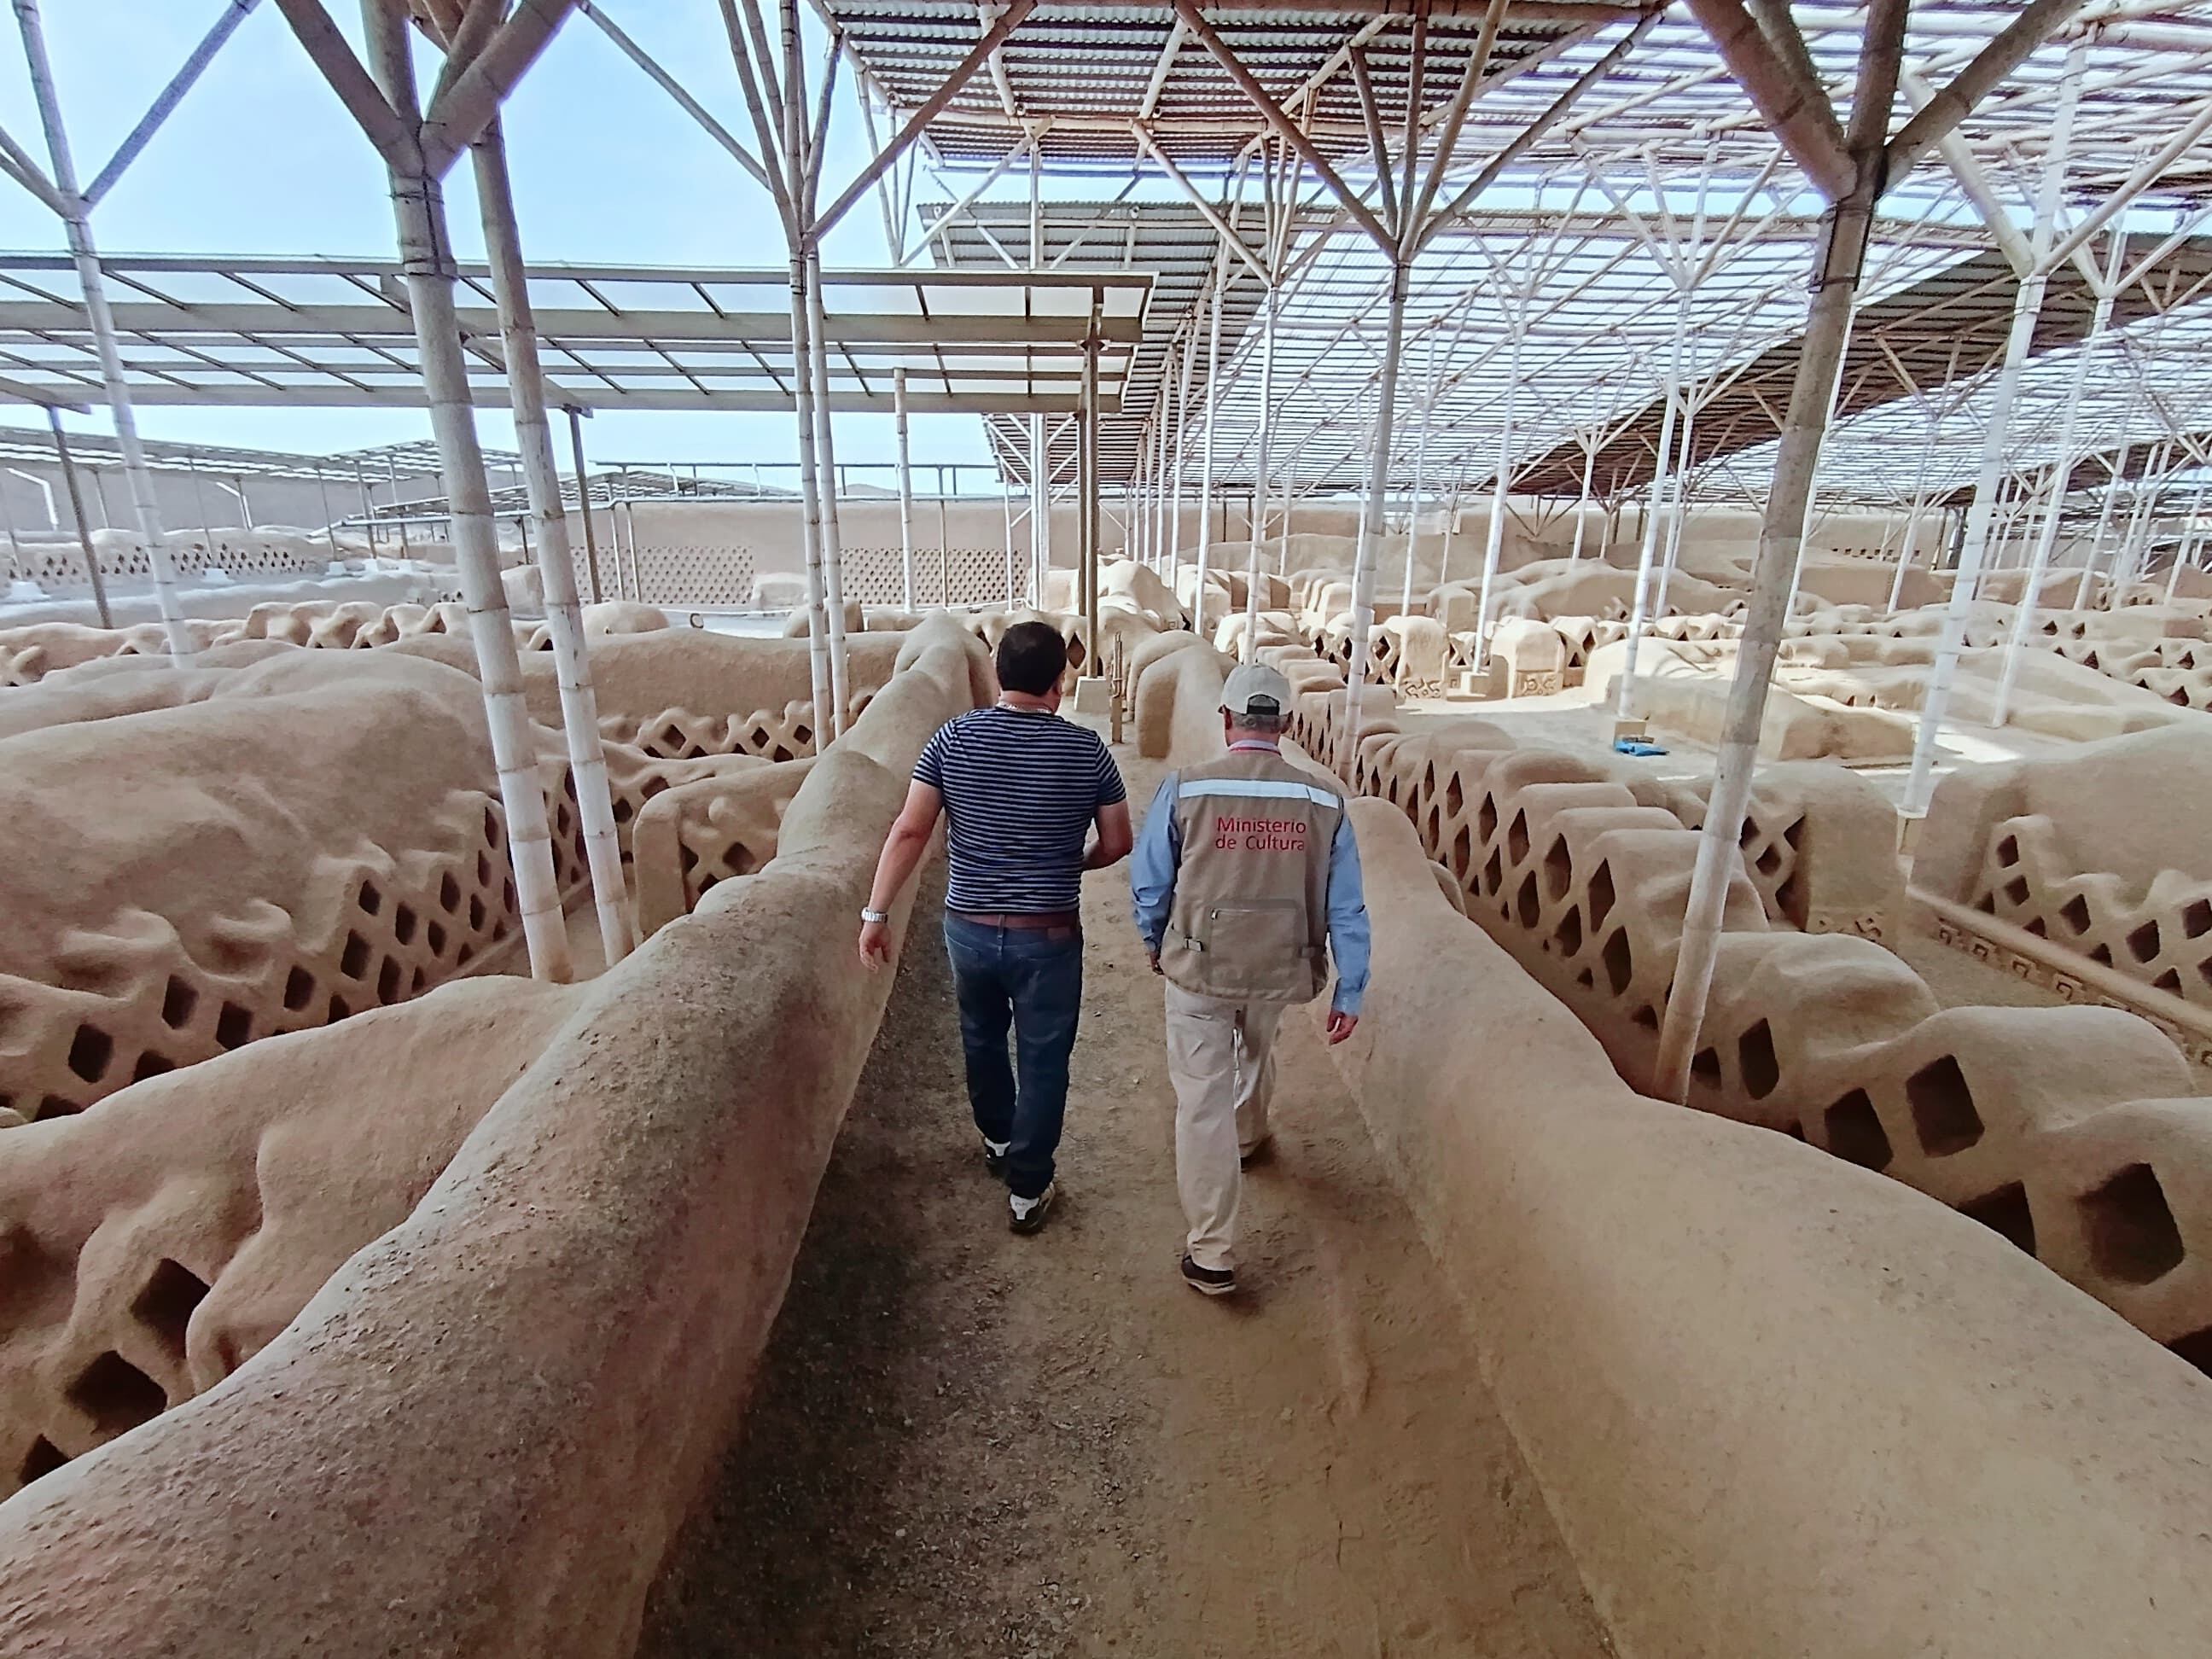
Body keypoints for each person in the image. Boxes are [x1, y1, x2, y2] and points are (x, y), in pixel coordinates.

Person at [859, 620, 1132, 1233]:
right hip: (1050, 933)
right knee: (1043, 1056)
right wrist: (1073, 864)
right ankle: (1028, 1190)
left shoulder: (952, 740)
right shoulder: (1086, 750)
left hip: (970, 928)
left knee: (981, 1036)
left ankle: (999, 1140)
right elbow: (1117, 842)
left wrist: (876, 913)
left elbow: (909, 831)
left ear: (998, 678)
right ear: (1059, 685)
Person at [1128, 661, 1370, 1297]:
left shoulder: (1187, 789)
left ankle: (1211, 1251)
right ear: (1285, 724)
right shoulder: (1324, 800)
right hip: (1280, 961)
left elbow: (1150, 880)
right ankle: (1249, 1134)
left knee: (1200, 1098)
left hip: (1200, 967)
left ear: (1227, 719)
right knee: (1259, 1046)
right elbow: (1346, 905)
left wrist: (1156, 943)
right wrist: (1351, 987)